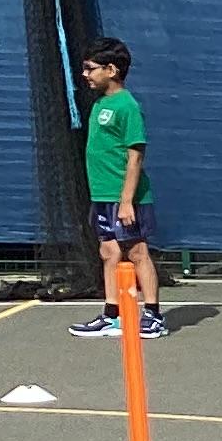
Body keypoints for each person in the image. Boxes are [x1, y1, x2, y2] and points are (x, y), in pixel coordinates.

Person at [66, 38, 163, 341]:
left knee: (137, 251)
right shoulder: (100, 104)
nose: (85, 74)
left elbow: (135, 156)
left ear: (111, 70)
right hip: (102, 196)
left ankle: (153, 316)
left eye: (90, 68)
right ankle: (112, 315)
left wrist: (126, 201)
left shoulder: (127, 106)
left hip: (126, 197)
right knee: (108, 251)